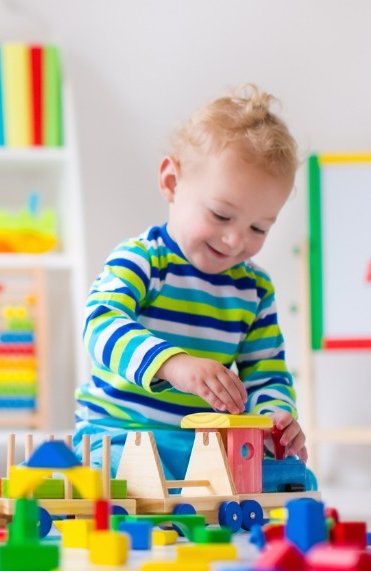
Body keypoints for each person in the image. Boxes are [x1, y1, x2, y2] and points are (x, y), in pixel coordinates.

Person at [75, 85, 308, 480]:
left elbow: (266, 373)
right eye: (221, 215)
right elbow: (100, 324)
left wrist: (274, 418)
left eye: (258, 228)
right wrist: (172, 364)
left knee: (292, 478)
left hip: (205, 446)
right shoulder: (144, 260)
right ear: (172, 182)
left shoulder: (254, 290)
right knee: (113, 480)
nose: (235, 240)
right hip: (119, 434)